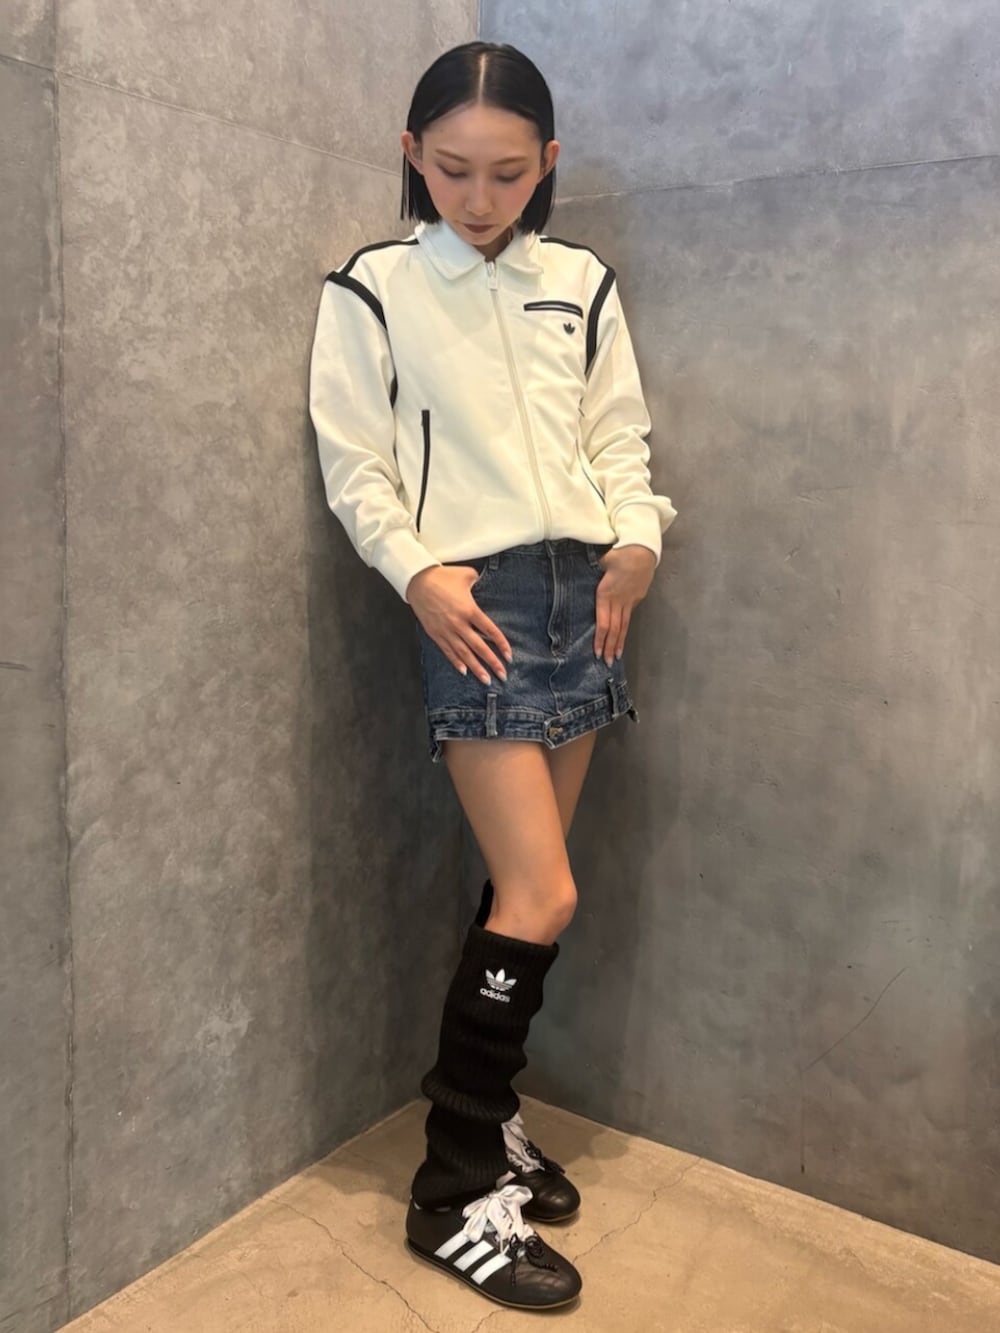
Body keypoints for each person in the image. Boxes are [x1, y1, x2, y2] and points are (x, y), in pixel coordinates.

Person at [308, 40, 677, 1312]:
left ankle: (491, 1121)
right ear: (412, 155)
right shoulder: (373, 287)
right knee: (542, 889)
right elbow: (355, 461)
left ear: (547, 163)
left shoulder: (578, 282)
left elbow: (617, 437)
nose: (477, 197)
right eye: (453, 169)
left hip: (590, 596)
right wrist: (417, 573)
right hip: (474, 602)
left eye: (508, 173)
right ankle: (452, 1185)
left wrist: (638, 541)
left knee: (529, 892)